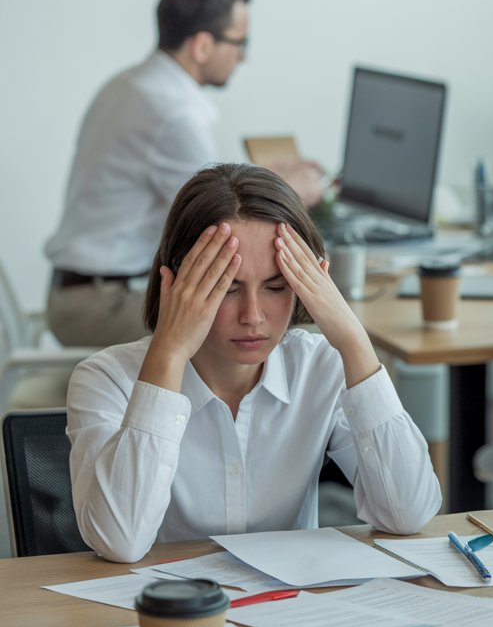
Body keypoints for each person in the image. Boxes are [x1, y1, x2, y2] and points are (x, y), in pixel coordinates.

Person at [67, 163, 440, 563]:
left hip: (293, 600)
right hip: (167, 602)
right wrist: (169, 355)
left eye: (276, 287)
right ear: (175, 284)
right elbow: (119, 541)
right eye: (227, 288)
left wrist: (352, 339)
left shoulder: (320, 367)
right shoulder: (106, 379)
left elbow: (408, 513)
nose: (253, 316)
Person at [45, 0, 323, 347]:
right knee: (288, 330)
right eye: (239, 42)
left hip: (80, 292)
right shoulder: (172, 111)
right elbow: (221, 219)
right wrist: (292, 188)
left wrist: (268, 176)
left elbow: (204, 185)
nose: (243, 56)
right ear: (202, 45)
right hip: (104, 305)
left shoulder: (130, 85)